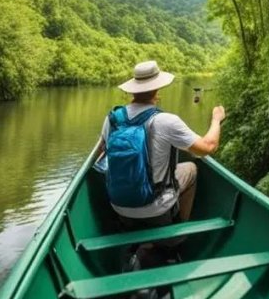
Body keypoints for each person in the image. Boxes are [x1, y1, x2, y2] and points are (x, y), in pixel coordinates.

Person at [89, 60, 225, 229]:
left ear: (133, 90)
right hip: (157, 211)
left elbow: (101, 152)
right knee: (191, 168)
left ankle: (131, 232)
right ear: (157, 89)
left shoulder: (113, 119)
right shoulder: (166, 121)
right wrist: (216, 119)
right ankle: (176, 237)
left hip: (118, 206)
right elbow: (208, 147)